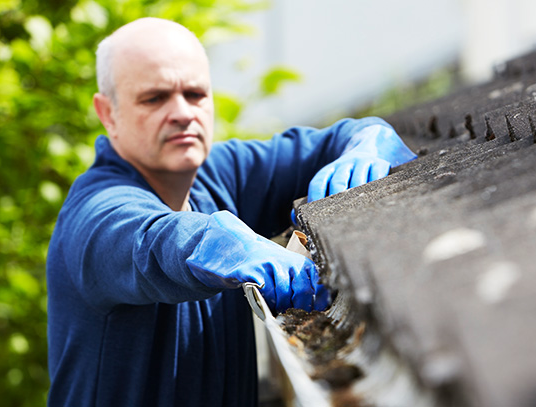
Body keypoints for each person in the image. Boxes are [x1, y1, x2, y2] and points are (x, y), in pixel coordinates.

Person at [46, 17, 416, 406]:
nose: (182, 113)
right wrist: (221, 243)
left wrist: (367, 145)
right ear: (108, 114)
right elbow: (149, 242)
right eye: (154, 98)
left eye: (195, 94)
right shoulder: (93, 215)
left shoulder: (223, 172)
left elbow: (351, 135)